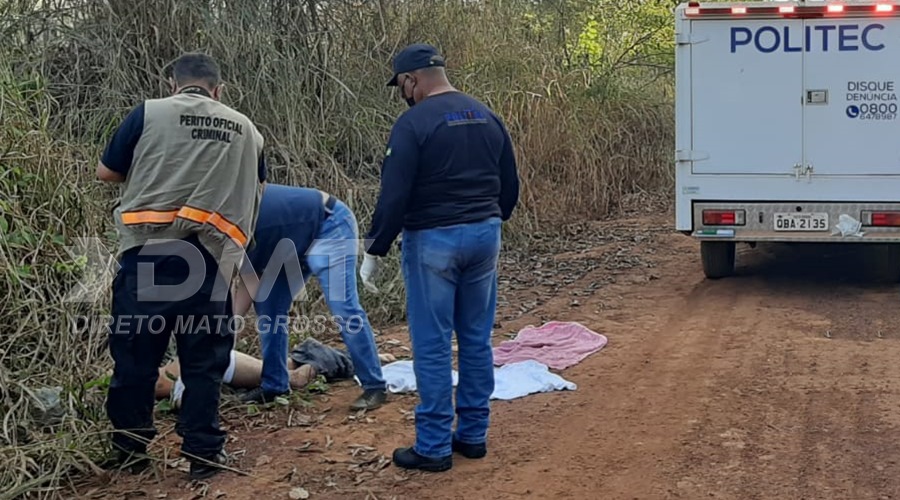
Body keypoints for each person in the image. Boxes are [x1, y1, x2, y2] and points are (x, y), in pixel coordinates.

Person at [96, 52, 266, 480]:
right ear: (218, 89)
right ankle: (203, 456)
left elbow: (106, 173)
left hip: (149, 256)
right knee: (204, 362)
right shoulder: (247, 128)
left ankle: (130, 452)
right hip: (210, 261)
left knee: (135, 359)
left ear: (173, 85)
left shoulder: (148, 114)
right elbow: (258, 183)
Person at [359, 44, 520, 472]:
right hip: (485, 235)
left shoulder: (413, 123)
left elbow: (395, 193)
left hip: (433, 239)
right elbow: (510, 185)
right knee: (475, 337)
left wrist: (375, 247)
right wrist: (488, 219)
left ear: (411, 80)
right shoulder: (486, 114)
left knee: (432, 345)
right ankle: (473, 435)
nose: (403, 93)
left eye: (402, 86)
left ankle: (432, 447)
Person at [231, 183, 389, 411]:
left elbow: (250, 280)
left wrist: (229, 329)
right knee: (268, 306)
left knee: (343, 307)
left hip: (329, 223)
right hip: (288, 245)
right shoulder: (229, 224)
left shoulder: (239, 219)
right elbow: (249, 281)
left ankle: (375, 385)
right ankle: (274, 385)